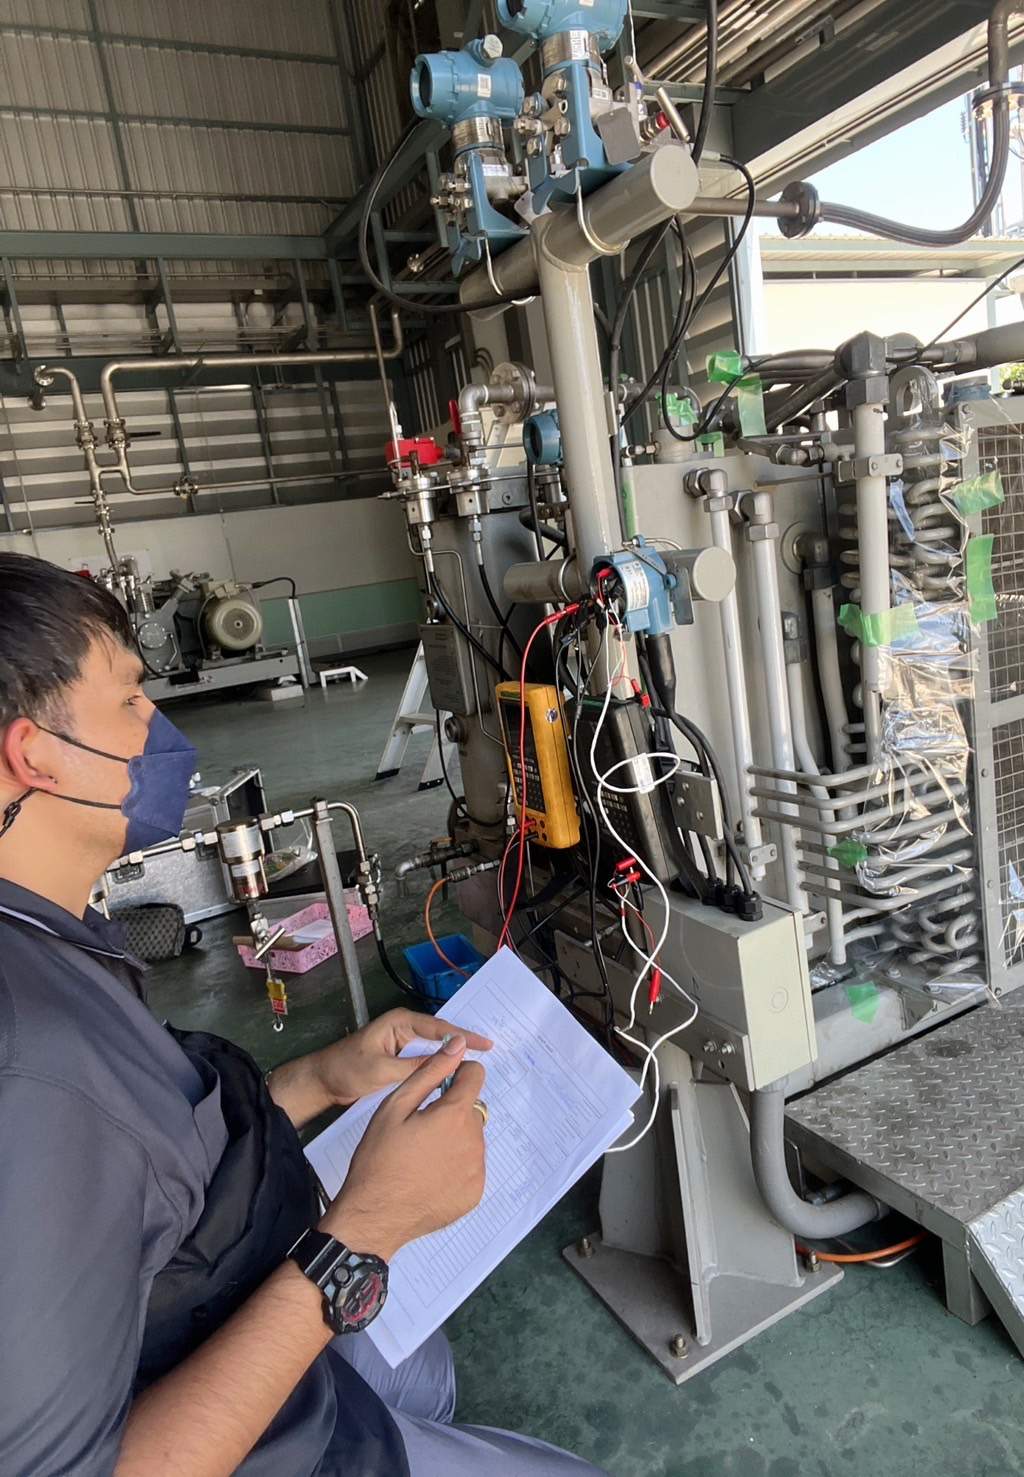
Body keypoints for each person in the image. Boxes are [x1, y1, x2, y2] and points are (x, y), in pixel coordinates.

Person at [0, 551, 604, 1477]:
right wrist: (361, 1238)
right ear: (34, 753)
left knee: (424, 1377)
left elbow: (148, 1164)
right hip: (245, 1433)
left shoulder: (52, 928)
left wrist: (319, 1078)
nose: (158, 725)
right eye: (128, 698)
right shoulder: (30, 1064)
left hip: (220, 1294)